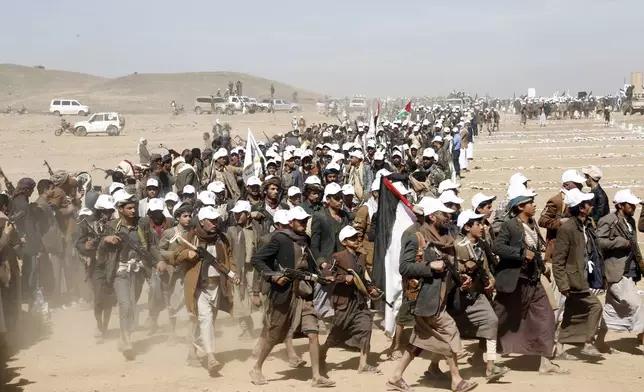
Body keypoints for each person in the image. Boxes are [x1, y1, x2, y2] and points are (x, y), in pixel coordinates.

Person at [387, 198, 478, 392]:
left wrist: (461, 277)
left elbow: (450, 265)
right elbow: (404, 267)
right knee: (449, 330)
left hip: (440, 298)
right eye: (443, 214)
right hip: (425, 300)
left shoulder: (446, 238)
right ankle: (456, 380)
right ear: (431, 216)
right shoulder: (416, 238)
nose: (447, 217)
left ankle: (396, 376)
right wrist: (429, 266)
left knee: (417, 343)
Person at [250, 206, 335, 387]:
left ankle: (316, 377)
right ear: (291, 222)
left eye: (305, 221)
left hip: (304, 294)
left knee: (313, 333)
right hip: (285, 294)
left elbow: (311, 263)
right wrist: (272, 275)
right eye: (300, 221)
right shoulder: (279, 239)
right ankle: (257, 367)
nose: (304, 224)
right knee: (274, 335)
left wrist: (323, 274)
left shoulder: (306, 239)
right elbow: (257, 259)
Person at [492, 188, 568, 375]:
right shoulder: (510, 225)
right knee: (498, 319)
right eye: (530, 202)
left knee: (546, 316)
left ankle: (545, 362)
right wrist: (520, 253)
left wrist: (542, 266)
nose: (534, 205)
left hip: (532, 280)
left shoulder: (532, 223)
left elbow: (536, 248)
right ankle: (485, 355)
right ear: (520, 206)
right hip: (514, 282)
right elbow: (498, 246)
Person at [172, 206, 240, 372]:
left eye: (216, 220)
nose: (215, 223)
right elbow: (175, 256)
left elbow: (229, 256)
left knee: (209, 321)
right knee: (205, 319)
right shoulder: (191, 237)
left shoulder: (221, 238)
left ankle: (192, 352)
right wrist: (187, 254)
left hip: (218, 286)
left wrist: (234, 272)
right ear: (202, 222)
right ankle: (211, 357)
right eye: (211, 220)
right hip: (199, 287)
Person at [453, 210, 509, 381]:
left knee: (492, 322)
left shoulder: (480, 244)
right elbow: (452, 269)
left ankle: (491, 366)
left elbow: (485, 268)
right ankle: (433, 366)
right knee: (448, 334)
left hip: (477, 296)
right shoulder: (458, 247)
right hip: (458, 299)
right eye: (478, 224)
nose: (482, 227)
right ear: (467, 227)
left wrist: (491, 280)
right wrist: (463, 270)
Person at [320, 226, 381, 374]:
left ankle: (363, 365)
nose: (356, 240)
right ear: (344, 242)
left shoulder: (361, 256)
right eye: (352, 238)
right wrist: (343, 278)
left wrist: (371, 288)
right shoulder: (338, 257)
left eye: (357, 237)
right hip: (344, 302)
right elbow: (327, 275)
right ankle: (322, 352)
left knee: (366, 328)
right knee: (337, 333)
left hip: (359, 301)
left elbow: (362, 277)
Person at [551, 189, 603, 358]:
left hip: (583, 277)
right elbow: (558, 261)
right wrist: (563, 285)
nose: (591, 206)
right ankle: (588, 342)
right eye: (588, 204)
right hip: (574, 280)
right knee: (595, 306)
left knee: (571, 314)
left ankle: (559, 349)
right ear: (581, 207)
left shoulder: (585, 224)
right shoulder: (567, 229)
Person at [596, 189, 644, 352]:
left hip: (629, 270)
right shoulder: (608, 220)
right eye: (631, 204)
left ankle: (599, 342)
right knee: (635, 303)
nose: (634, 207)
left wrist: (641, 264)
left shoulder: (630, 221)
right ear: (621, 205)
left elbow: (634, 244)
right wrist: (617, 242)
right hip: (615, 271)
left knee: (610, 308)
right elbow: (598, 241)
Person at [76, 194, 117, 341]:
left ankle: (105, 326)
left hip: (113, 265)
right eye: (105, 211)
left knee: (110, 298)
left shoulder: (115, 224)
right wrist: (86, 247)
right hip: (96, 266)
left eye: (110, 211)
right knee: (99, 298)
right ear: (99, 211)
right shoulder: (87, 224)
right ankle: (99, 325)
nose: (108, 214)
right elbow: (79, 244)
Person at [226, 200, 263, 340]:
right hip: (238, 268)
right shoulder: (232, 230)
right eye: (235, 214)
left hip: (253, 268)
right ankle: (245, 328)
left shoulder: (257, 228)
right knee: (239, 299)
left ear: (247, 214)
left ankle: (260, 328)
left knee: (255, 296)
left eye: (239, 213)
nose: (236, 216)